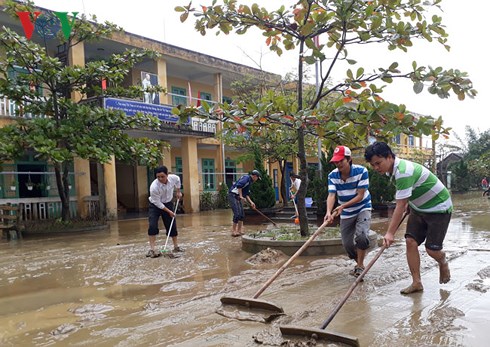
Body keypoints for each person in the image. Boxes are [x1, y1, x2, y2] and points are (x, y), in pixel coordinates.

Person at [364, 141, 452, 295]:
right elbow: (406, 197)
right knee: (410, 242)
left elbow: (400, 204)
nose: (376, 168)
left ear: (390, 157)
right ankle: (416, 283)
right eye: (373, 165)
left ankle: (443, 260)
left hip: (439, 207)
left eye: (378, 163)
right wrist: (408, 203)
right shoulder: (392, 171)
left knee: (432, 250)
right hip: (418, 207)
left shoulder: (404, 171)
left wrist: (390, 233)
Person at [324, 145, 372, 278]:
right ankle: (359, 264)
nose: (338, 164)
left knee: (361, 236)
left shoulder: (361, 171)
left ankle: (360, 267)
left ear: (349, 159)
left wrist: (342, 207)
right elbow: (332, 195)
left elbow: (360, 195)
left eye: (341, 161)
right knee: (347, 244)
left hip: (362, 207)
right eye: (336, 161)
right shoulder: (332, 175)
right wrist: (328, 212)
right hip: (345, 211)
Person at [146, 166, 183, 258]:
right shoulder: (154, 187)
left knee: (171, 225)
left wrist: (178, 191)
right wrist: (169, 211)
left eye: (162, 176)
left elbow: (178, 180)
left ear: (167, 175)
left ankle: (176, 246)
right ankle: (152, 249)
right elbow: (158, 203)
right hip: (155, 205)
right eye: (158, 177)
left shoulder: (173, 178)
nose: (160, 179)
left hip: (168, 203)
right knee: (152, 225)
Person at [228, 169, 261, 237]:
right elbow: (239, 186)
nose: (257, 179)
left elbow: (246, 194)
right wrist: (240, 196)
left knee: (241, 215)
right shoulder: (246, 178)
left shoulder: (250, 182)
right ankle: (233, 231)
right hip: (233, 195)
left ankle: (239, 230)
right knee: (237, 214)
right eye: (257, 178)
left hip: (237, 196)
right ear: (254, 176)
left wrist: (251, 202)